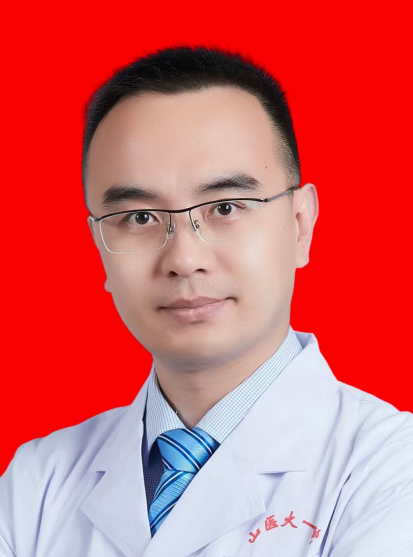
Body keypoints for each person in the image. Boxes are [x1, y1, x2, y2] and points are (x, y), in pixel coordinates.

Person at [1, 45, 412, 557]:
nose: (184, 259)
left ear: (300, 225)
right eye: (140, 217)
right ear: (99, 247)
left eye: (225, 207)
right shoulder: (37, 483)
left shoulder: (390, 469)